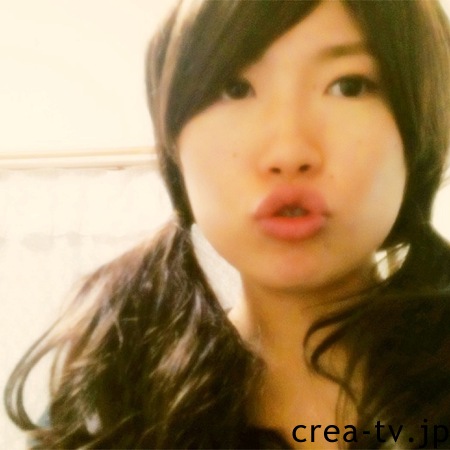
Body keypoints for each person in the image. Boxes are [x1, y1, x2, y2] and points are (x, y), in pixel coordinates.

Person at [5, 0, 450, 448]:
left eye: (348, 86)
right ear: (174, 144)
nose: (288, 153)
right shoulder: (108, 407)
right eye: (235, 88)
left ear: (419, 132)